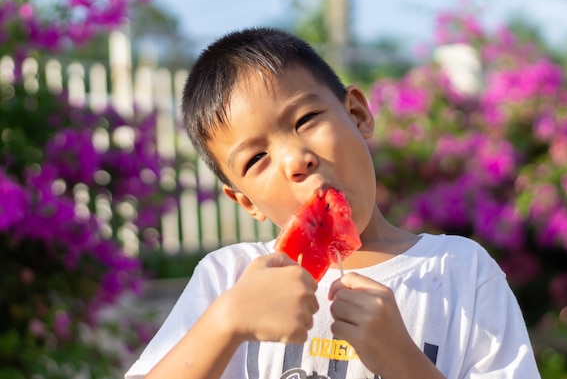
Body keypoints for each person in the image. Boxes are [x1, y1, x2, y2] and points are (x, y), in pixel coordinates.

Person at [125, 27, 541, 379]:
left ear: (358, 114)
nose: (296, 160)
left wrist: (406, 364)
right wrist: (226, 322)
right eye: (256, 159)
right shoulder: (227, 280)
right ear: (245, 201)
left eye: (305, 120)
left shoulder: (461, 272)